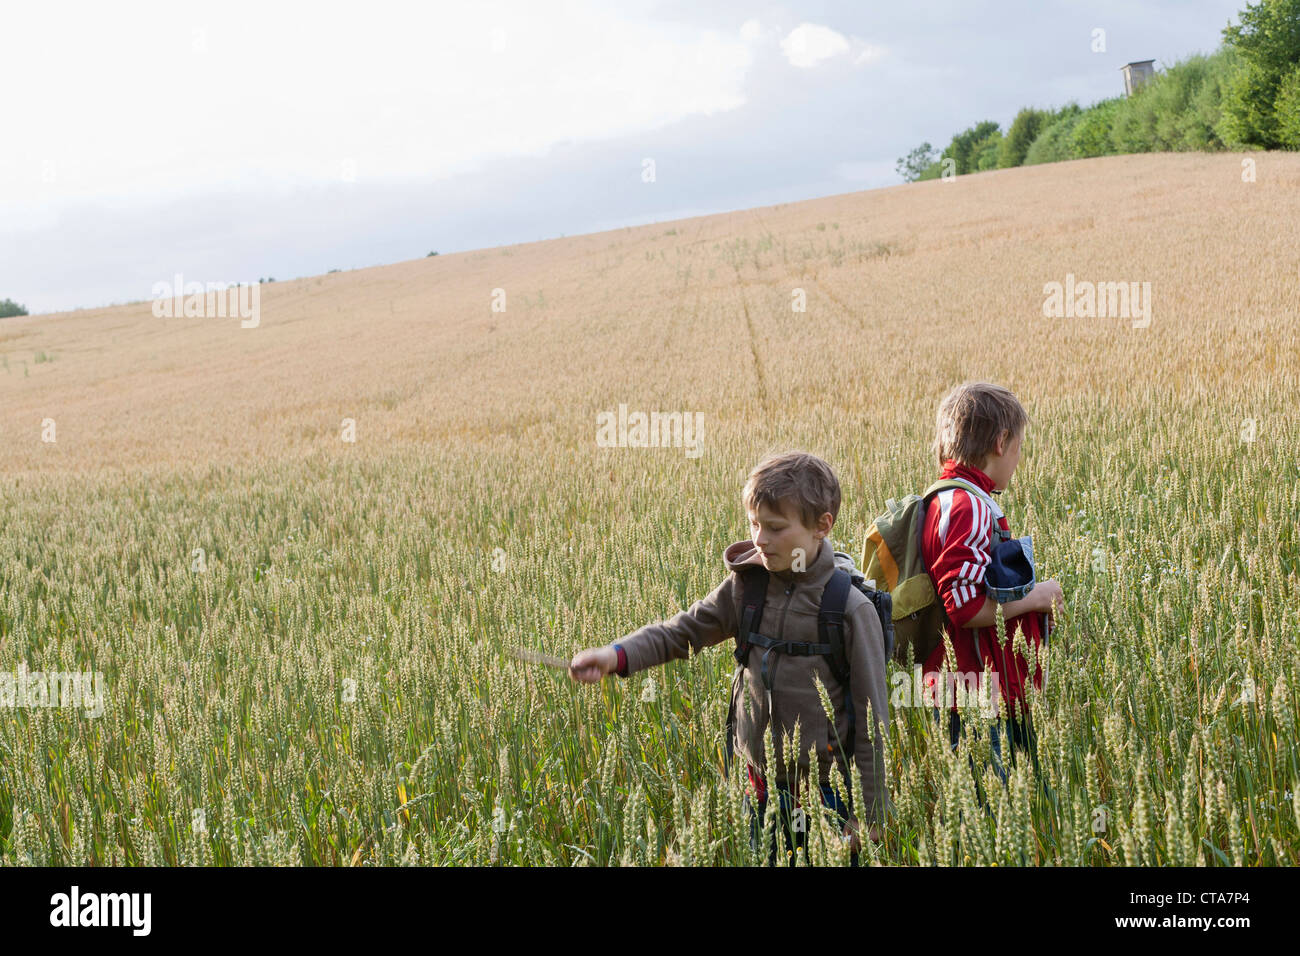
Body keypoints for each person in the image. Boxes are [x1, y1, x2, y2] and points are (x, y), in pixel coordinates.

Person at [569, 451, 890, 864]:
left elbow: (872, 719)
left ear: (821, 526)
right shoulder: (746, 589)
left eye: (775, 528)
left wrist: (869, 814)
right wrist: (616, 655)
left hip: (826, 795)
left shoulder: (848, 609)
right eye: (754, 524)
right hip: (755, 786)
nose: (759, 539)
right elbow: (680, 633)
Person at [922, 382, 1065, 788]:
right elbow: (964, 607)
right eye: (1019, 448)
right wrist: (1038, 597)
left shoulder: (947, 499)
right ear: (1001, 442)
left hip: (969, 687)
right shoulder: (968, 507)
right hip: (977, 694)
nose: (1018, 460)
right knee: (990, 809)